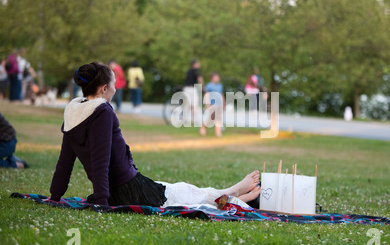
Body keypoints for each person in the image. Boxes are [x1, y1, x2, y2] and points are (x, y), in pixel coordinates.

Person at [49, 62, 261, 207]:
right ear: (104, 88)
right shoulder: (102, 111)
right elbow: (100, 160)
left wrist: (55, 195)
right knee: (182, 194)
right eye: (114, 85)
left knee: (178, 189)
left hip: (120, 188)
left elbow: (65, 160)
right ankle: (233, 193)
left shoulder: (74, 110)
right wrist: (103, 204)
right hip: (128, 191)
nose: (116, 89)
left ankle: (233, 194)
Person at [201, 72, 224, 137]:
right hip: (212, 104)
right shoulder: (209, 85)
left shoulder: (220, 86)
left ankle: (218, 132)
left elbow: (221, 95)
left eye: (218, 77)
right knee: (211, 118)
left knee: (218, 118)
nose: (217, 78)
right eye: (216, 77)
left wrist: (223, 103)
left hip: (219, 104)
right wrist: (207, 103)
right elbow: (207, 94)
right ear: (212, 78)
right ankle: (203, 127)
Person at [183, 59, 204, 128]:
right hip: (192, 89)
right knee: (194, 105)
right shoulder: (196, 71)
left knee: (187, 105)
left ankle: (185, 120)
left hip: (186, 88)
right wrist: (203, 87)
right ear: (195, 64)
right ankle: (195, 121)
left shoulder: (189, 71)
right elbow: (200, 79)